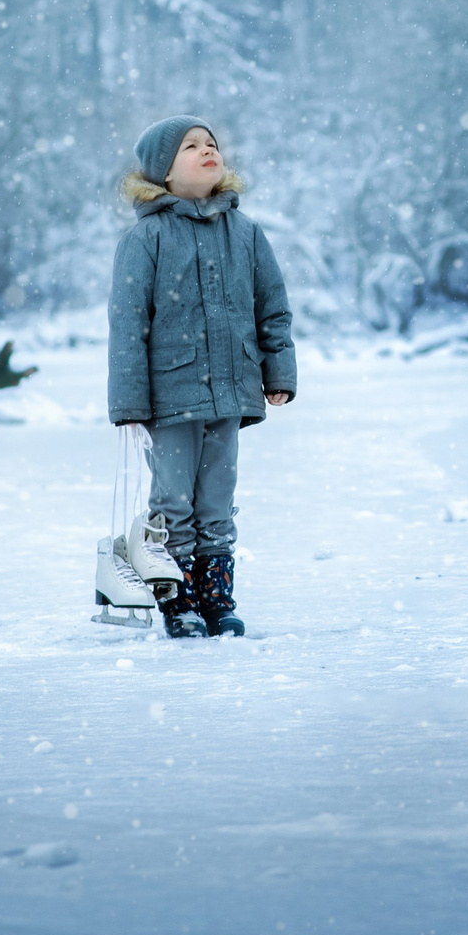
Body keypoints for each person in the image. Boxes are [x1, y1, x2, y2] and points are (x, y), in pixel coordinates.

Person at [107, 115, 295, 637]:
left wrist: (277, 370)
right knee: (173, 501)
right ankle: (177, 600)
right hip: (170, 394)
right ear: (163, 173)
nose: (206, 150)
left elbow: (271, 309)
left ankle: (216, 598)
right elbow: (128, 325)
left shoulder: (247, 234)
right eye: (190, 146)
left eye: (210, 143)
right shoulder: (146, 239)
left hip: (232, 391)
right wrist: (129, 402)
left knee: (217, 498)